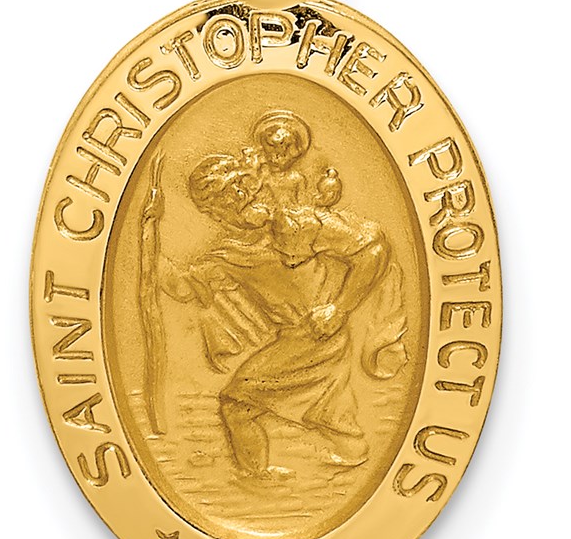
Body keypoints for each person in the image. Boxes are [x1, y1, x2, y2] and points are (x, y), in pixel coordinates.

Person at [159, 140, 406, 478]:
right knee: (318, 406)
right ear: (214, 212)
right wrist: (148, 249)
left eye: (239, 186)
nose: (240, 197)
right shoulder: (227, 256)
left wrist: (339, 309)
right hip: (297, 337)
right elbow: (183, 287)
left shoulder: (295, 225)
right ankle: (333, 457)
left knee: (238, 405)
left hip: (318, 334)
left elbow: (373, 248)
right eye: (226, 197)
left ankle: (260, 477)